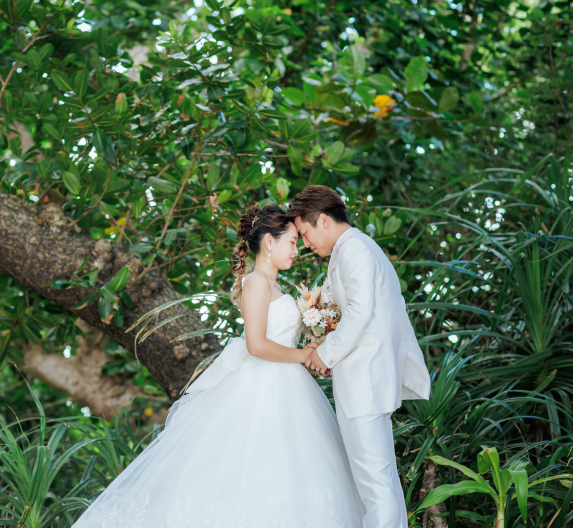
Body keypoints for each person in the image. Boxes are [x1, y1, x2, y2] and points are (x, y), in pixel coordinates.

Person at [72, 204, 364, 527]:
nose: (298, 250)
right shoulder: (255, 283)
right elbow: (256, 345)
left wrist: (311, 348)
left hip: (288, 385)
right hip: (264, 386)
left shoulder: (277, 286)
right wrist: (303, 356)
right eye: (293, 241)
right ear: (269, 241)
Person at [287, 185, 432, 528]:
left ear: (323, 220)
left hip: (363, 381)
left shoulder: (354, 249)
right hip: (364, 381)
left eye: (305, 233)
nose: (306, 244)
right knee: (382, 483)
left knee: (375, 485)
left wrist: (325, 354)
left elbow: (360, 313)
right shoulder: (351, 249)